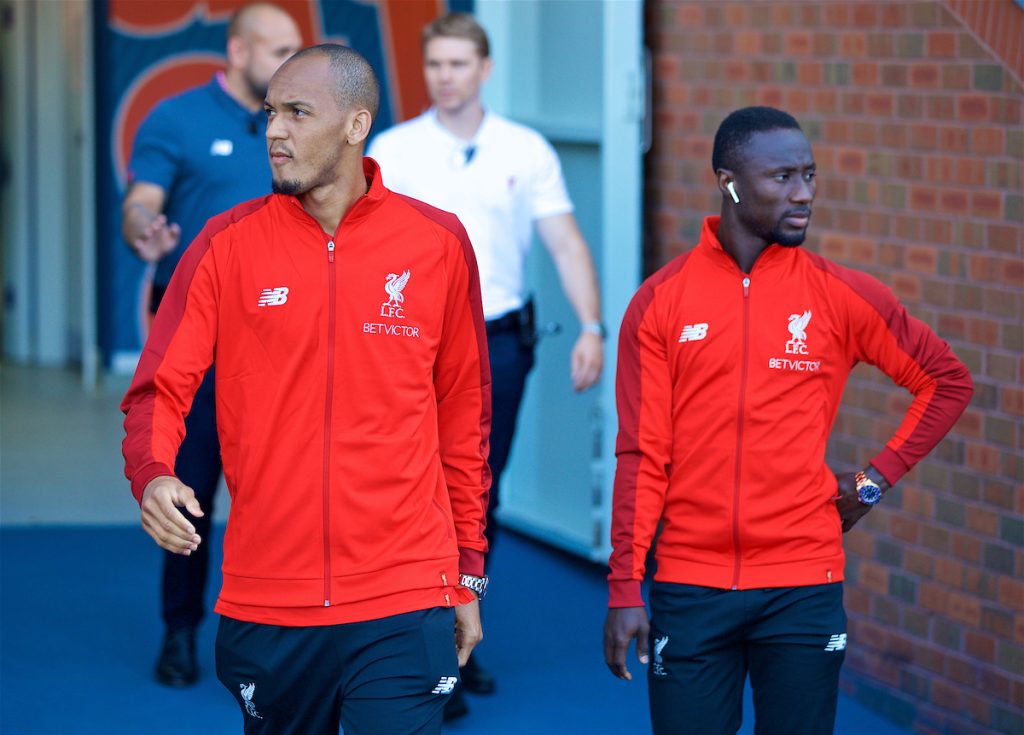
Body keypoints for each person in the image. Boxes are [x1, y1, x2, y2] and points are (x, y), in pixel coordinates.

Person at [121, 43, 492, 735]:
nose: (275, 131)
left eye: (297, 112)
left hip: (404, 588)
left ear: (356, 125)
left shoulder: (437, 244)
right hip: (268, 598)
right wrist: (152, 473)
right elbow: (157, 388)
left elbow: (462, 422)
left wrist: (468, 571)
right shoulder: (224, 245)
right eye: (269, 113)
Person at [602, 106, 973, 735]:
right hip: (692, 584)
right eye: (782, 178)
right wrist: (624, 587)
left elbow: (946, 380)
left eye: (810, 176)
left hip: (805, 583)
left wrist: (874, 480)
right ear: (730, 181)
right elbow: (642, 455)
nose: (803, 194)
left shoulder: (841, 294)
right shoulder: (661, 302)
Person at [367, 13, 603, 716]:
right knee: (404, 489)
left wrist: (592, 325)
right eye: (434, 64)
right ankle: (403, 637)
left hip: (497, 340)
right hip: (403, 340)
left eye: (459, 64)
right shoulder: (394, 147)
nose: (446, 77)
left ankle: (457, 640)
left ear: (485, 69)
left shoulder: (524, 149)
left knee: (476, 490)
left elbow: (563, 242)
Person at [120, 3, 302, 687]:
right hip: (197, 333)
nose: (291, 59)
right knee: (188, 485)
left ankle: (286, 631)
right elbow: (142, 200)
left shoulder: (300, 122)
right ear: (237, 49)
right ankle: (180, 630)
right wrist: (144, 230)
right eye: (278, 47)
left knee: (282, 490)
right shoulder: (175, 118)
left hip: (283, 338)